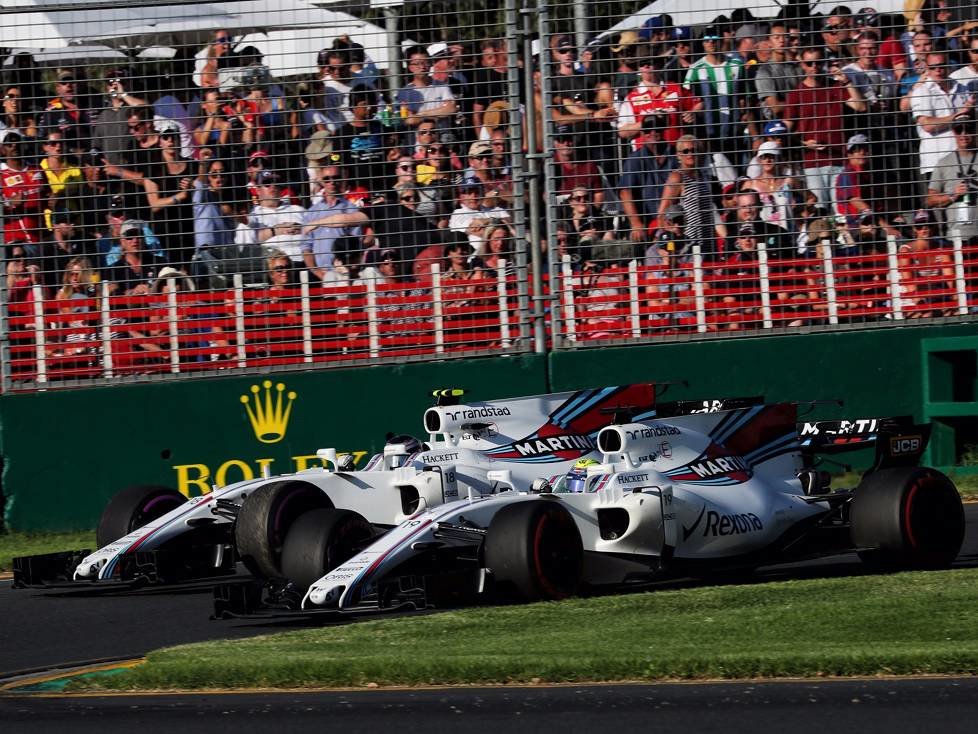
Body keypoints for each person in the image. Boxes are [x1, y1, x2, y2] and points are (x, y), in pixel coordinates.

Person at [784, 48, 866, 210]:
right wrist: (804, 143)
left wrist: (847, 82)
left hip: (838, 158)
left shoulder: (835, 87)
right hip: (811, 162)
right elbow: (785, 131)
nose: (814, 66)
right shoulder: (795, 94)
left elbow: (861, 106)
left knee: (841, 209)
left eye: (818, 62)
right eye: (809, 63)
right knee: (820, 209)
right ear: (802, 65)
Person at [656, 135, 722, 258]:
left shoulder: (703, 177)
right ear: (678, 155)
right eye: (686, 151)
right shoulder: (677, 177)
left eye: (694, 150)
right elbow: (662, 214)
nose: (690, 154)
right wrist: (673, 237)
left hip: (707, 245)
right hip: (688, 247)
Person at [911, 52, 973, 180]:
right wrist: (958, 115)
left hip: (964, 159)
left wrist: (970, 112)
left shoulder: (962, 88)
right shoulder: (921, 92)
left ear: (948, 66)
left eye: (941, 66)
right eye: (933, 67)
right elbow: (927, 125)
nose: (938, 70)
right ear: (927, 68)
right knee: (940, 200)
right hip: (936, 162)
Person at [302, 163, 369, 281]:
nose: (332, 182)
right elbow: (306, 248)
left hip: (344, 274)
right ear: (321, 182)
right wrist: (317, 272)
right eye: (327, 179)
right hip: (319, 276)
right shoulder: (311, 212)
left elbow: (356, 244)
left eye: (336, 178)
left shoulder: (351, 210)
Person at [927, 111, 978, 243]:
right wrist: (952, 195)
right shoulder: (944, 163)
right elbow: (930, 199)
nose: (964, 134)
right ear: (953, 132)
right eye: (959, 129)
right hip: (955, 237)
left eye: (969, 129)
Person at [91, 69, 147, 166]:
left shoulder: (132, 107)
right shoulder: (103, 115)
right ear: (106, 87)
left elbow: (146, 107)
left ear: (127, 85)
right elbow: (97, 145)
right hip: (111, 172)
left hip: (134, 167)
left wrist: (123, 95)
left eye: (120, 82)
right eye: (110, 83)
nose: (114, 85)